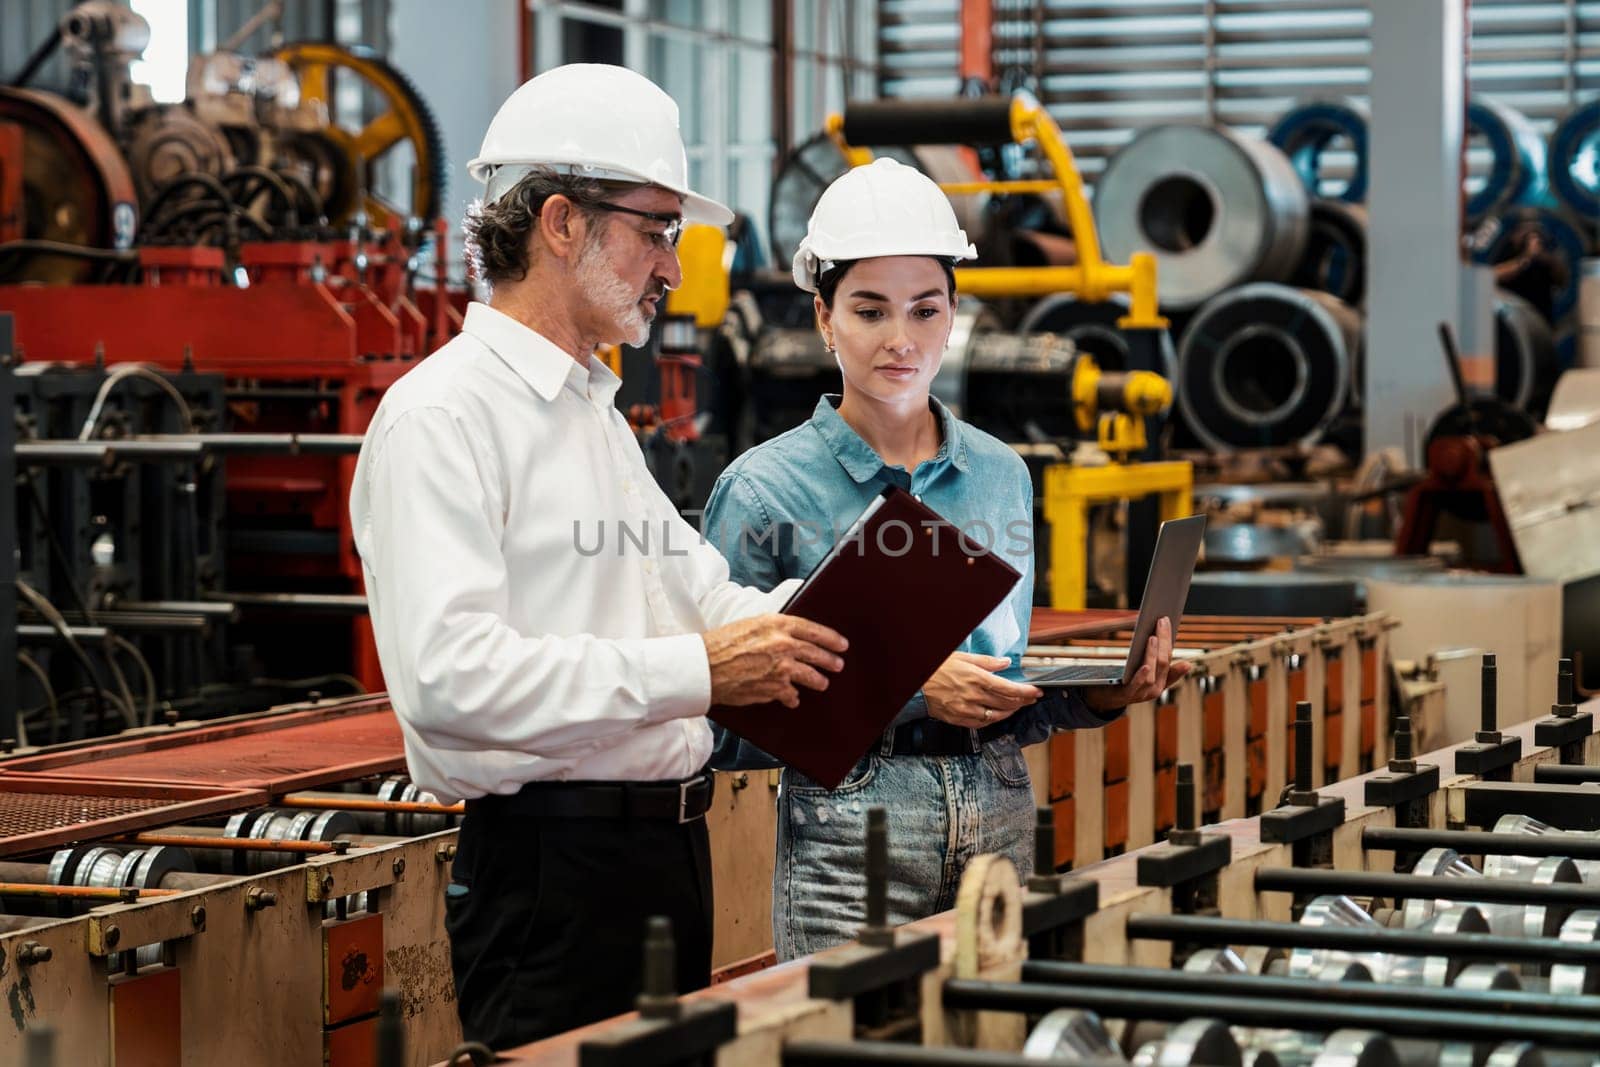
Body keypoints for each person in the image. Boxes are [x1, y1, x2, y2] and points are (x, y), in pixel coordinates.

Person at [348, 64, 849, 1050]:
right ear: (562, 222)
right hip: (551, 872)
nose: (672, 265)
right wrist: (701, 670)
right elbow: (451, 679)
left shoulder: (590, 414)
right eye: (657, 228)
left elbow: (700, 594)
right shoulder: (443, 417)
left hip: (662, 854)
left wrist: (853, 618)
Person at [702, 157, 1190, 961]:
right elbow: (727, 722)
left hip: (998, 806)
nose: (902, 340)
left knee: (993, 1039)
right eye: (869, 311)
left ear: (955, 313)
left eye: (926, 311)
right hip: (851, 829)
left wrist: (1102, 697)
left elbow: (998, 690)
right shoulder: (763, 491)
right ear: (823, 319)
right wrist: (913, 691)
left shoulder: (999, 475)